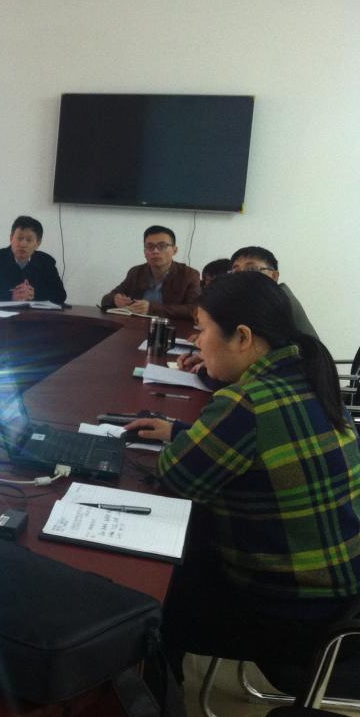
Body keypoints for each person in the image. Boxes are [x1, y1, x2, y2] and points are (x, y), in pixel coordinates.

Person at [125, 272, 360, 679]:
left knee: (150, 600)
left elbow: (175, 476)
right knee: (194, 545)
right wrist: (181, 431)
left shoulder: (246, 401)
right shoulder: (310, 378)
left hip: (294, 619)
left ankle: (158, 693)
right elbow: (262, 443)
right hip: (342, 602)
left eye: (202, 330)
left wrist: (182, 440)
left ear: (242, 337)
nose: (197, 342)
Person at [178, 246, 319, 376]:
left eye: (252, 269)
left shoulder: (275, 302)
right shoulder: (253, 300)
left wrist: (211, 367)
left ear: (274, 276)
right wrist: (209, 356)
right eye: (235, 270)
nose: (242, 275)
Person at [100, 226, 201, 320]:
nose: (155, 251)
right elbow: (106, 299)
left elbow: (195, 310)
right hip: (135, 326)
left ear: (174, 250)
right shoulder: (136, 272)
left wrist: (152, 308)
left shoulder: (189, 275)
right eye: (150, 247)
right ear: (144, 252)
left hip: (170, 329)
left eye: (162, 246)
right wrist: (115, 299)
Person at [0, 215, 67, 304]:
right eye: (19, 238)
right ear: (11, 238)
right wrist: (10, 295)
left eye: (29, 240)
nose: (23, 244)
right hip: (1, 317)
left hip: (35, 317)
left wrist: (34, 294)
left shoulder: (46, 262)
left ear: (38, 243)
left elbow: (61, 295)